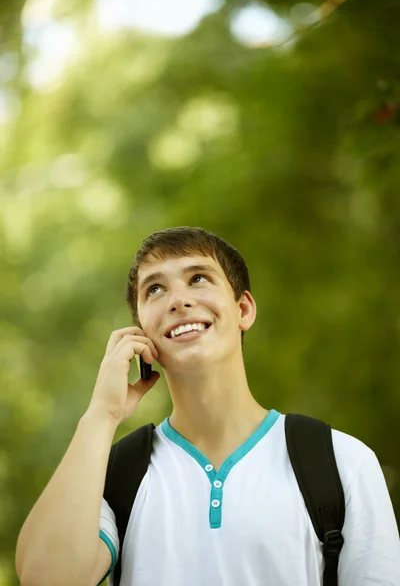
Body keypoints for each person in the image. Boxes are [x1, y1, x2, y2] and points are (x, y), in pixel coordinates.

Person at [16, 226, 400, 586]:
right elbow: (45, 578)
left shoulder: (341, 463)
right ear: (142, 334)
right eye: (154, 290)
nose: (178, 300)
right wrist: (102, 415)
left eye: (198, 278)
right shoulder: (114, 475)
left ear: (243, 310)